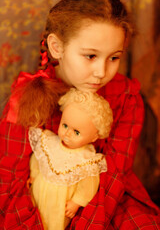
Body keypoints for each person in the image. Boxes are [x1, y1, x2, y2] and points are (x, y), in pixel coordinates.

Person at [0, 0, 160, 229]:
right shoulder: (26, 97)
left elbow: (114, 174)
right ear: (56, 47)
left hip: (107, 195)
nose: (102, 72)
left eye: (114, 58)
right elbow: (10, 179)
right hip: (40, 198)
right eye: (90, 56)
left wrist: (88, 224)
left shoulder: (126, 97)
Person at [28, 87, 113, 230]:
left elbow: (87, 186)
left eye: (77, 132)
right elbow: (38, 159)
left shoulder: (86, 159)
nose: (67, 133)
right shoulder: (49, 142)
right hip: (38, 192)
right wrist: (34, 174)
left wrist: (77, 202)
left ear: (94, 137)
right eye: (65, 125)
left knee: (53, 223)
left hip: (60, 204)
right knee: (35, 217)